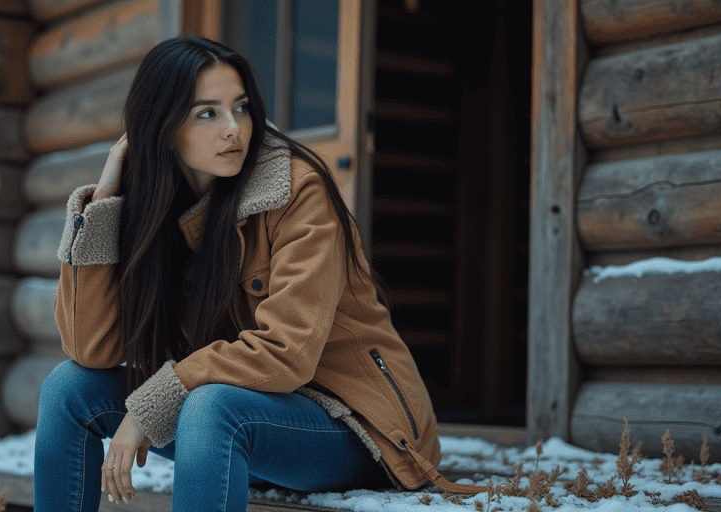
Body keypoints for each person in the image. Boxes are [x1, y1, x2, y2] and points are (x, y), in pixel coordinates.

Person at [34, 36, 480, 512]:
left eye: (241, 108)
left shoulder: (297, 191)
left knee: (211, 407)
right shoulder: (157, 213)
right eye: (207, 113)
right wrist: (102, 205)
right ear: (162, 127)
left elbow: (287, 352)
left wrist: (158, 397)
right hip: (246, 420)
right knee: (69, 388)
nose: (234, 129)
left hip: (358, 429)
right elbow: (91, 348)